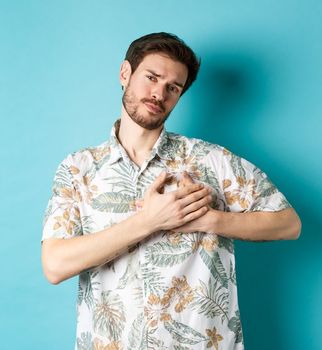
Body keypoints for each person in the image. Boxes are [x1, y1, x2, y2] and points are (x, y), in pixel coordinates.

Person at [41, 32, 301, 350]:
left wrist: (208, 220)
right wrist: (149, 221)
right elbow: (54, 265)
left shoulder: (211, 161)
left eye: (173, 88)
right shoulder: (78, 168)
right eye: (152, 78)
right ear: (125, 74)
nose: (159, 93)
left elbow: (289, 223)